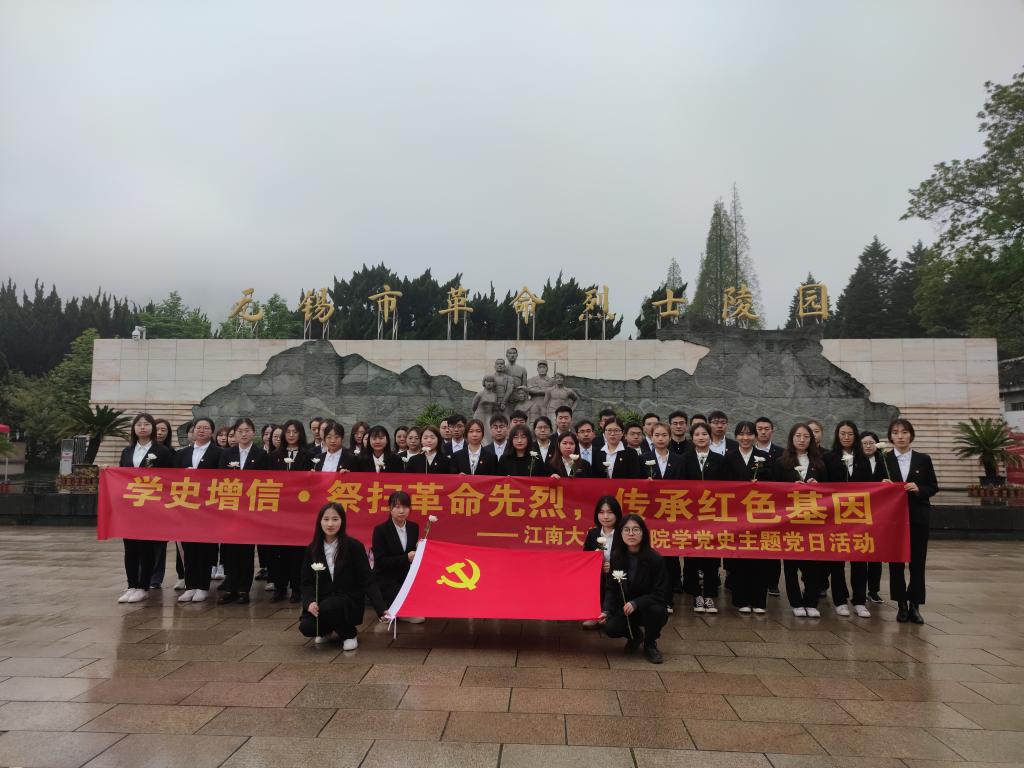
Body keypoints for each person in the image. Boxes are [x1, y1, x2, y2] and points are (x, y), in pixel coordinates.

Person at [299, 503, 386, 648]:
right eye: (326, 519)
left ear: (342, 521)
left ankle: (349, 634)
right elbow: (306, 582)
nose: (330, 524)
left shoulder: (354, 546)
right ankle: (328, 630)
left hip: (348, 599)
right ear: (320, 521)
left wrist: (381, 608)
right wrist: (309, 602)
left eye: (335, 519)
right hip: (323, 600)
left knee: (330, 606)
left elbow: (367, 579)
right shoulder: (312, 549)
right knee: (307, 627)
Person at [883, 418, 938, 624]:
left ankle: (915, 605)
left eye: (904, 432)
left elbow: (933, 486)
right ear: (890, 436)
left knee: (917, 563)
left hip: (918, 518)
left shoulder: (923, 459)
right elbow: (874, 488)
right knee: (896, 563)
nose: (900, 436)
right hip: (894, 520)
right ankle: (901, 605)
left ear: (911, 435)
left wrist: (919, 489)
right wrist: (883, 485)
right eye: (896, 432)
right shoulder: (884, 459)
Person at [772, 423, 827, 617]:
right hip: (790, 520)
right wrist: (789, 487)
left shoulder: (820, 462)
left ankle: (811, 601)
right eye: (798, 436)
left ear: (811, 439)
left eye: (806, 436)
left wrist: (818, 485)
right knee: (791, 565)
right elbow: (773, 490)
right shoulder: (781, 462)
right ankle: (795, 602)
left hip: (813, 521)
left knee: (813, 564)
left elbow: (831, 489)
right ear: (791, 438)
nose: (802, 440)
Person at [117, 413, 173, 603]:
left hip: (151, 507)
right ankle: (131, 585)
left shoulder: (162, 451)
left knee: (146, 548)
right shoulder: (127, 451)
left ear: (152, 428)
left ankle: (143, 586)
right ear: (134, 428)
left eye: (146, 424)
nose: (142, 427)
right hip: (130, 507)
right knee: (130, 547)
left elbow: (170, 479)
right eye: (138, 424)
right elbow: (121, 476)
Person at [598, 514, 668, 664]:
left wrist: (636, 603)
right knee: (610, 627)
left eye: (636, 529)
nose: (631, 534)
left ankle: (650, 644)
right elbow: (612, 587)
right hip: (625, 608)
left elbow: (660, 593)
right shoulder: (617, 556)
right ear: (620, 533)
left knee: (657, 611)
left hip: (647, 607)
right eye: (626, 530)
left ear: (643, 533)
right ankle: (635, 637)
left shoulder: (655, 559)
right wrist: (606, 610)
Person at [217, 418, 269, 604]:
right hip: (230, 508)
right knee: (229, 550)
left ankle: (243, 590)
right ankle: (230, 587)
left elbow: (266, 481)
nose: (244, 434)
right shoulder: (227, 453)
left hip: (250, 510)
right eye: (240, 431)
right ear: (235, 434)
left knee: (246, 551)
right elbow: (219, 479)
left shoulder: (261, 454)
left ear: (253, 432)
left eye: (247, 430)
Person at [825, 420, 874, 618]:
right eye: (843, 433)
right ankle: (839, 600)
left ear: (856, 436)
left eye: (850, 434)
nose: (846, 437)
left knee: (860, 560)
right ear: (837, 435)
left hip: (858, 517)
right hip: (836, 516)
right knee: (837, 561)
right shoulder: (829, 458)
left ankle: (860, 601)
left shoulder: (864, 459)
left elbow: (871, 486)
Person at [723, 421, 773, 614]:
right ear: (736, 436)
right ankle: (741, 599)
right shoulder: (728, 457)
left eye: (749, 434)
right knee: (739, 558)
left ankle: (759, 601)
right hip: (736, 515)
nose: (745, 438)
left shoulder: (764, 457)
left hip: (759, 515)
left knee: (759, 558)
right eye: (741, 434)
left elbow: (774, 483)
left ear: (755, 436)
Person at [173, 417, 223, 604]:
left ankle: (202, 586)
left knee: (205, 549)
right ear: (193, 431)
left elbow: (222, 479)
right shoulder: (181, 454)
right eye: (198, 428)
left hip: (208, 509)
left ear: (212, 432)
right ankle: (190, 585)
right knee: (189, 549)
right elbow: (171, 479)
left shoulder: (219, 453)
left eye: (206, 428)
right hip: (186, 508)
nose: (201, 431)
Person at [680, 422, 726, 613]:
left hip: (712, 515)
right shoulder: (684, 459)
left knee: (711, 557)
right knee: (692, 556)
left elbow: (727, 486)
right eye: (697, 434)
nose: (701, 437)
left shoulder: (720, 460)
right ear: (692, 438)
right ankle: (695, 595)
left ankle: (709, 595)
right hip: (690, 515)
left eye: (704, 434)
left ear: (710, 436)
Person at [268, 420, 312, 603]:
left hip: (300, 513)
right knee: (278, 551)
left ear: (301, 434)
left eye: (295, 432)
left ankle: (296, 588)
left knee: (297, 552)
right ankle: (279, 587)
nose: (291, 435)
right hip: (279, 512)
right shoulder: (274, 456)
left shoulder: (308, 455)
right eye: (288, 432)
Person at [647, 422, 684, 611]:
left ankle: (668, 599)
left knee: (669, 559)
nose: (660, 439)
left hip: (672, 516)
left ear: (670, 437)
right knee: (650, 557)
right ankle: (651, 598)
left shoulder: (679, 460)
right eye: (657, 435)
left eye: (664, 435)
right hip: (650, 516)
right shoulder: (643, 459)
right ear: (651, 437)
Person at [371, 491, 422, 623]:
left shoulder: (413, 527)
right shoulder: (381, 530)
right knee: (397, 606)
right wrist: (406, 558)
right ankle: (396, 612)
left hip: (406, 578)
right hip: (386, 579)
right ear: (390, 508)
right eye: (397, 507)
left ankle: (401, 610)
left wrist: (419, 548)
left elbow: (411, 554)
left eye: (405, 507)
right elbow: (380, 561)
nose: (401, 511)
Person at [581, 496, 622, 627]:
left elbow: (630, 558)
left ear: (617, 514)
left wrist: (613, 566)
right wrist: (597, 565)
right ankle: (594, 614)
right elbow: (585, 558)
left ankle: (611, 613)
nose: (605, 516)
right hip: (598, 575)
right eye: (601, 512)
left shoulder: (623, 533)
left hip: (618, 574)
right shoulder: (593, 533)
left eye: (610, 512)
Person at [859, 431, 886, 603]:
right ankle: (860, 592)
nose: (868, 446)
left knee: (876, 554)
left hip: (880, 513)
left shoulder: (885, 461)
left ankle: (873, 590)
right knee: (862, 553)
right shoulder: (855, 462)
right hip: (860, 514)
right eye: (864, 443)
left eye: (871, 443)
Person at [151, 418, 176, 589]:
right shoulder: (137, 450)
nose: (160, 433)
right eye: (157, 429)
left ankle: (155, 577)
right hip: (143, 501)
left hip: (163, 503)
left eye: (163, 430)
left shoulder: (170, 453)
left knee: (159, 543)